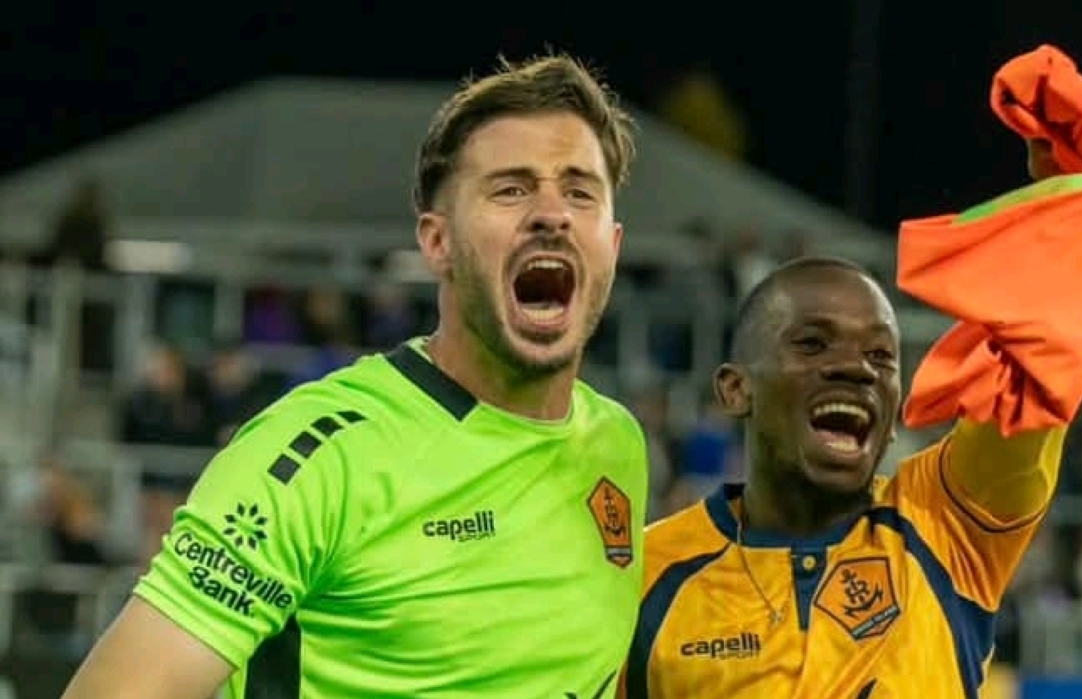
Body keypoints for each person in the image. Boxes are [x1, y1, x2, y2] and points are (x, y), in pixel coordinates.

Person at [63, 53, 648, 699]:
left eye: (579, 190)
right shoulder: (316, 455)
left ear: (612, 246)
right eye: (510, 188)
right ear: (437, 241)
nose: (551, 213)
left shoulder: (618, 446)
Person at [621, 105, 1082, 698]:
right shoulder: (644, 579)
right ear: (735, 388)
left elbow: (1038, 362)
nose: (854, 368)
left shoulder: (946, 526)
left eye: (881, 358)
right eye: (811, 343)